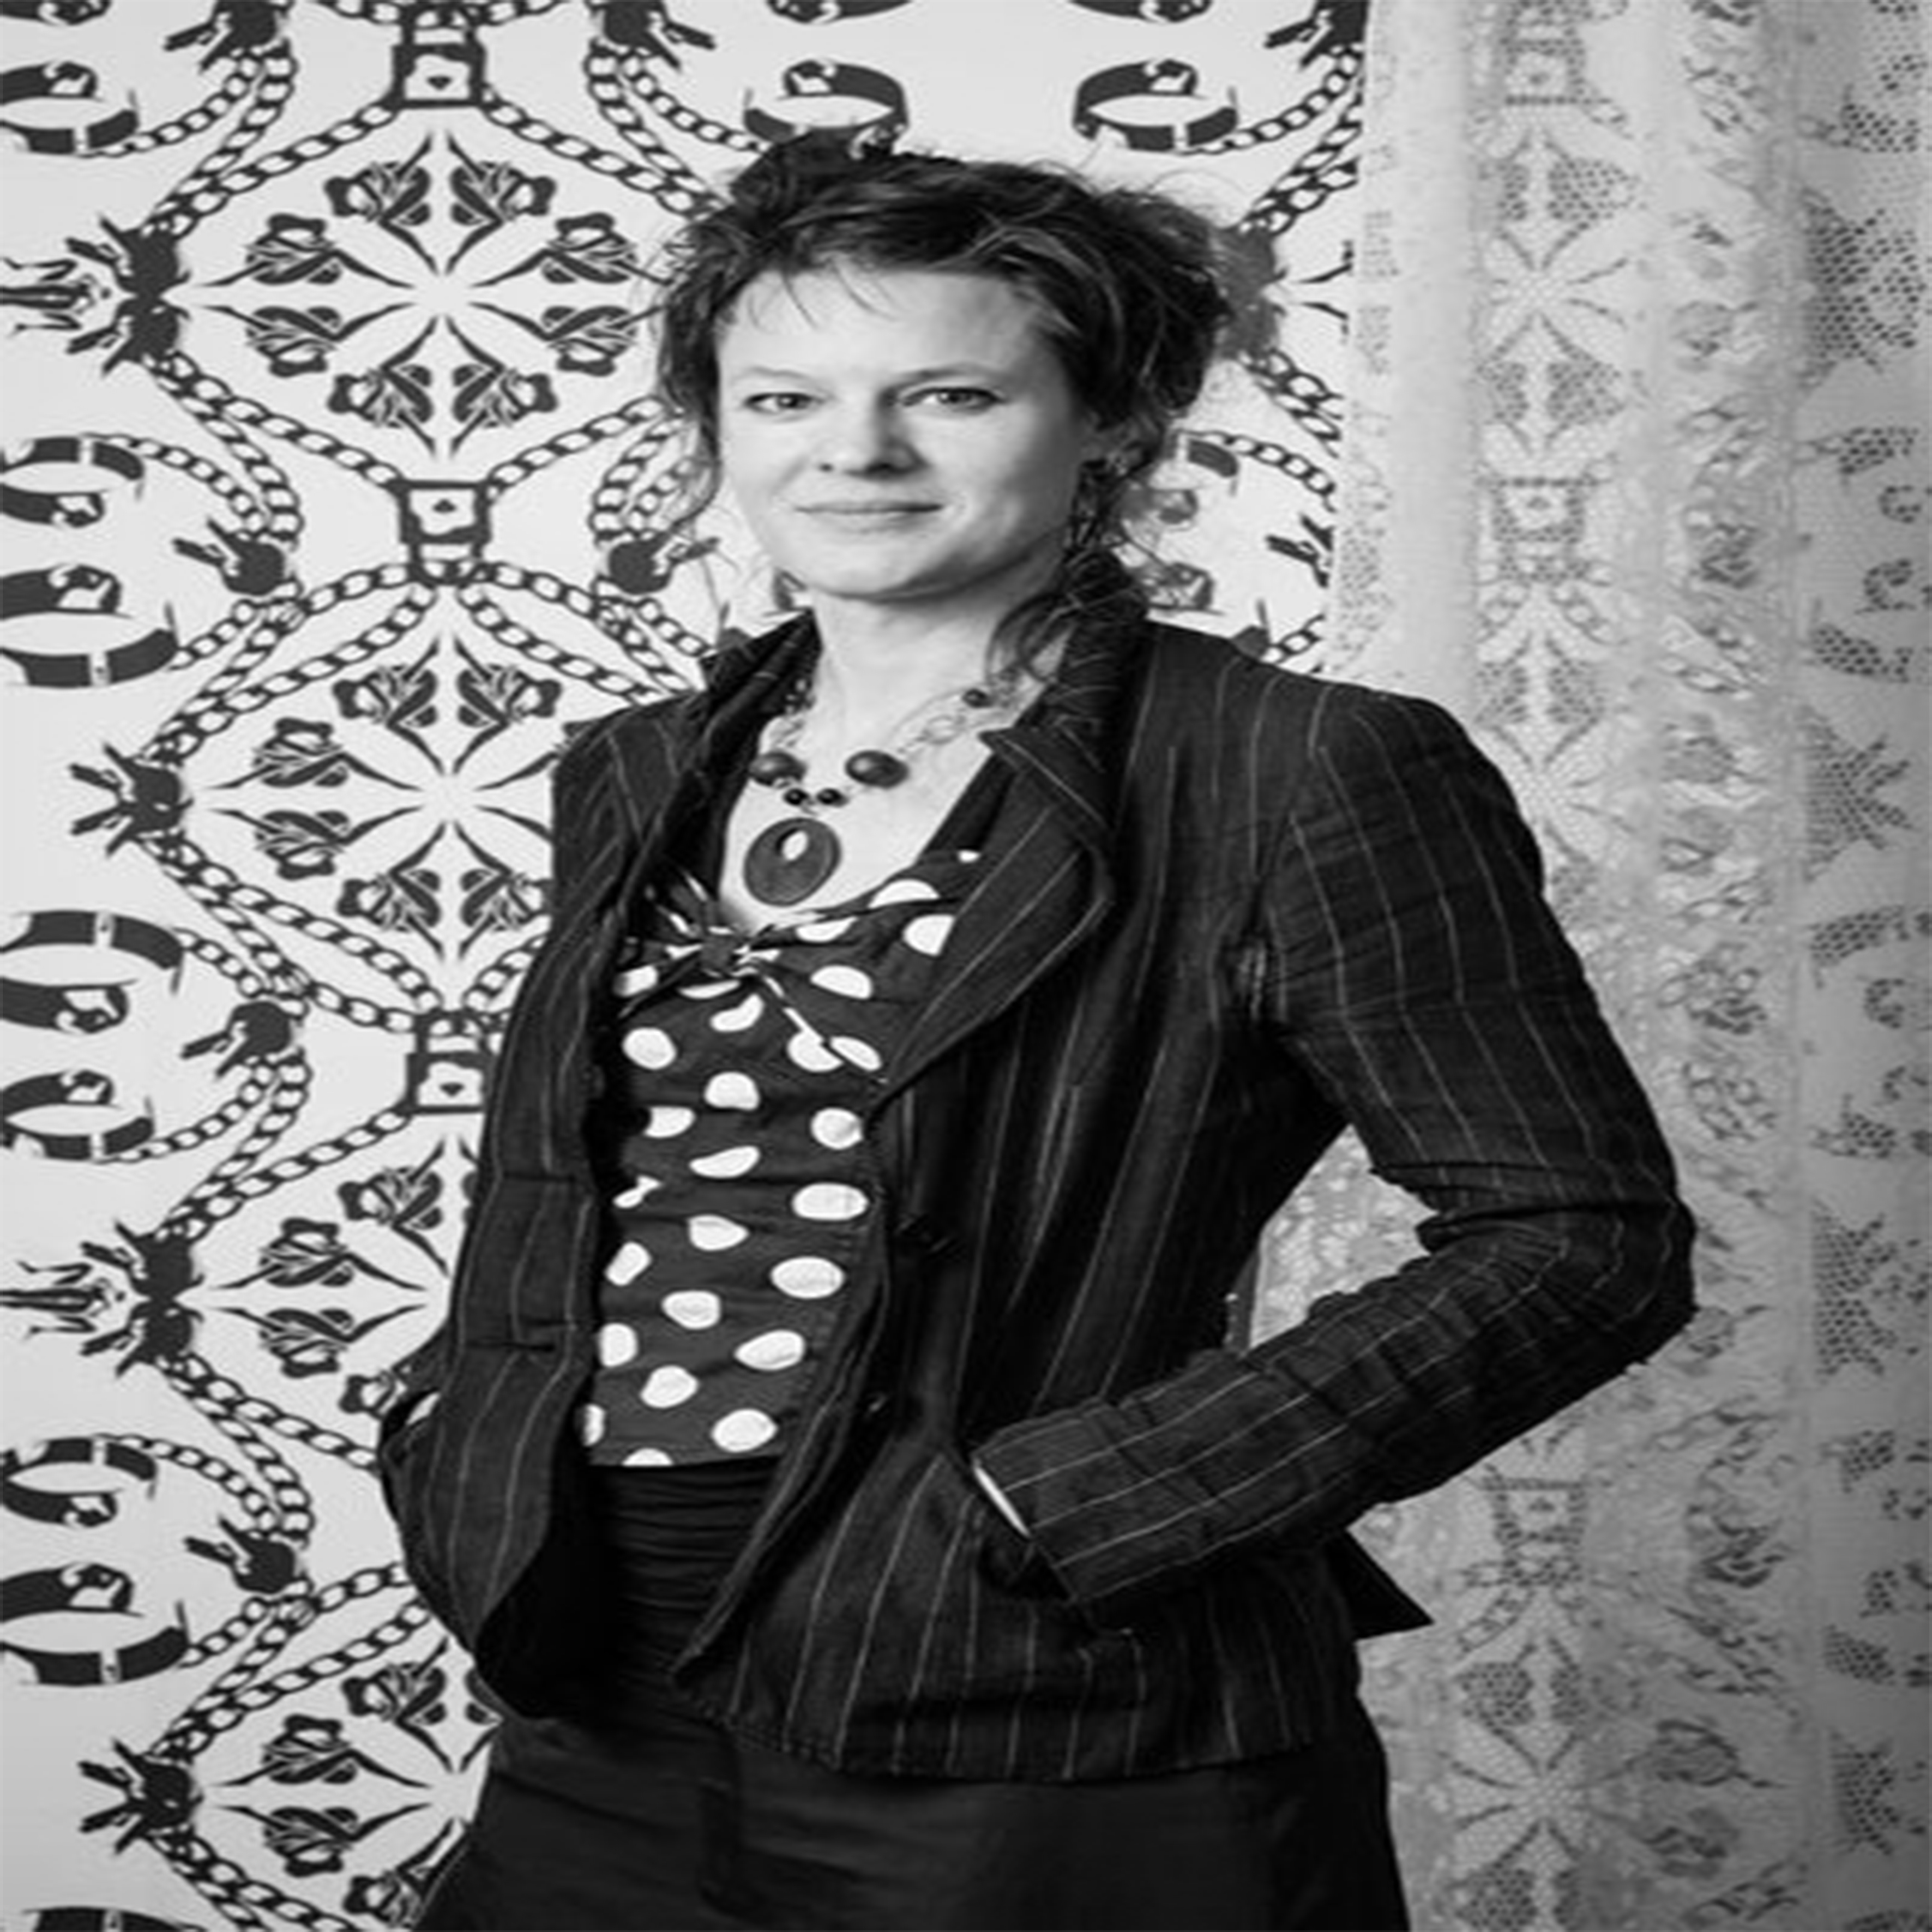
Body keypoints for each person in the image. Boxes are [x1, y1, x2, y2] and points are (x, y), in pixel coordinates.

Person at [378, 133, 1696, 1932]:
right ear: (717, 429)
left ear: (1114, 425)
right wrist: (450, 1428)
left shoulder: (1295, 767)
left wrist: (1066, 1509)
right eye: (784, 397)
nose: (855, 451)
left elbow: (1582, 1239)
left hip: (1045, 1698)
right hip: (597, 1674)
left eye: (950, 393)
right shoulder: (633, 769)